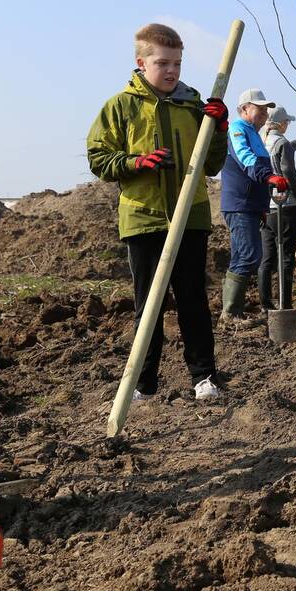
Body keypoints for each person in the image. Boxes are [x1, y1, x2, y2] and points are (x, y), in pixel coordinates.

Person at [85, 23, 230, 401]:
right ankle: (144, 384)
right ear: (141, 62)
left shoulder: (193, 104)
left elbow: (213, 165)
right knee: (148, 305)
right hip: (145, 217)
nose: (172, 72)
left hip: (190, 216)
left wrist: (219, 128)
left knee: (193, 300)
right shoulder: (120, 107)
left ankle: (204, 377)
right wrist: (137, 163)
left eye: (178, 64)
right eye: (163, 63)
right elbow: (99, 159)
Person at [220, 89, 289, 324]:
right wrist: (268, 177)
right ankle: (230, 313)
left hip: (250, 205)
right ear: (244, 109)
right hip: (239, 203)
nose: (264, 113)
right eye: (258, 108)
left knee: (244, 255)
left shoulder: (254, 134)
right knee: (250, 255)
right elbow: (245, 158)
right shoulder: (237, 129)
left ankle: (233, 312)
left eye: (265, 109)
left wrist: (262, 202)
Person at [258, 106, 296, 310]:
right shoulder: (281, 142)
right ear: (281, 124)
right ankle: (285, 304)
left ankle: (265, 304)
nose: (287, 125)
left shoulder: (262, 141)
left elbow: (285, 149)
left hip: (266, 207)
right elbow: (289, 172)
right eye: (287, 122)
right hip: (287, 207)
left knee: (267, 258)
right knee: (287, 257)